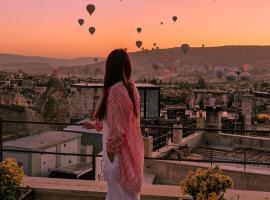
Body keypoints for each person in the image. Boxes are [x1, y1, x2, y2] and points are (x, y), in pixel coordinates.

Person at [82, 49, 144, 200]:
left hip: (117, 157)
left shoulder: (116, 91)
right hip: (127, 155)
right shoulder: (131, 89)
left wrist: (110, 153)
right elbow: (118, 121)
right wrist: (94, 124)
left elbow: (118, 130)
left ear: (110, 68)